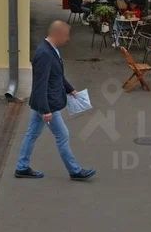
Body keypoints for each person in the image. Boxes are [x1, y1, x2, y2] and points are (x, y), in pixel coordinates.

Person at [15, 20, 96, 181]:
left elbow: (57, 75)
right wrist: (46, 110)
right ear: (57, 34)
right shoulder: (44, 54)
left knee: (31, 134)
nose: (68, 39)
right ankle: (75, 171)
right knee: (62, 135)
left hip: (42, 103)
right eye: (66, 36)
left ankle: (21, 167)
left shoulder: (51, 50)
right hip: (47, 104)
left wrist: (70, 89)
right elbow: (40, 84)